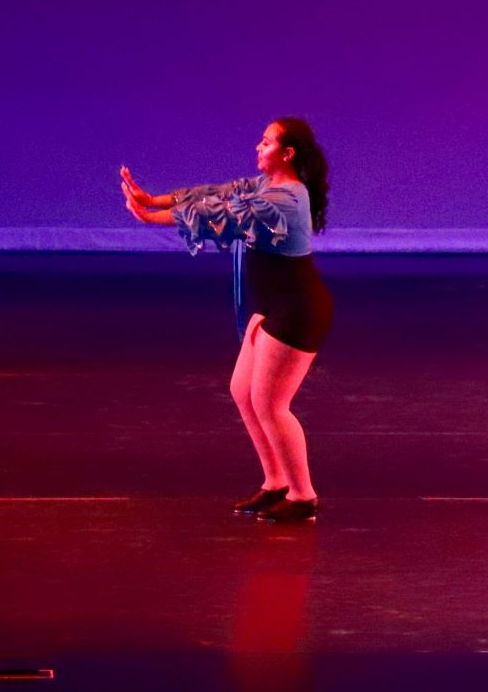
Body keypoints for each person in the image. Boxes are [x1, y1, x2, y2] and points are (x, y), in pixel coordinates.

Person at [121, 118, 333, 522]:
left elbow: (220, 213)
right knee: (243, 391)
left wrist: (151, 219)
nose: (258, 146)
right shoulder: (263, 185)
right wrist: (154, 200)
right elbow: (216, 193)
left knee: (271, 404)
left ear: (287, 153)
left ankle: (303, 495)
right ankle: (276, 482)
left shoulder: (287, 199)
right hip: (273, 303)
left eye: (267, 142)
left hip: (298, 308)